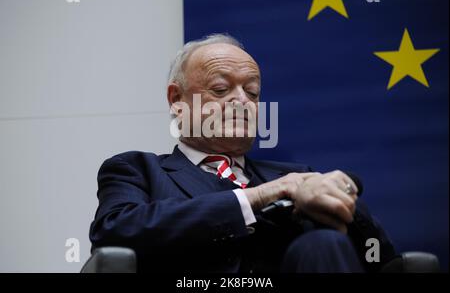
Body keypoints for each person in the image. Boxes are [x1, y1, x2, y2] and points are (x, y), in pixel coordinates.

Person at [89, 34, 396, 273]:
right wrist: (262, 195)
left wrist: (345, 202)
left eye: (252, 92)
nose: (242, 101)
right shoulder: (137, 169)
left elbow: (382, 259)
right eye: (221, 89)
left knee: (324, 242)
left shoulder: (300, 175)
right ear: (176, 99)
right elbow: (114, 234)